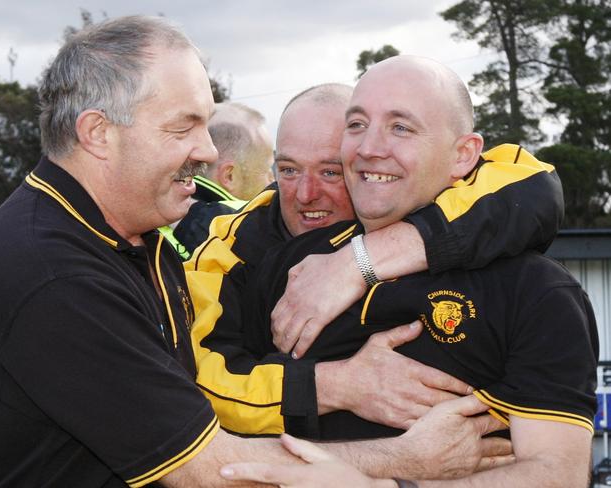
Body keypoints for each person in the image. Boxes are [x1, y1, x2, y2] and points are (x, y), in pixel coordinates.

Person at [0, 17, 513, 487]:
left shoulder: (131, 235)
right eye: (184, 128)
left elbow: (522, 180)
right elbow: (208, 473)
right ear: (99, 134)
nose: (207, 151)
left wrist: (363, 260)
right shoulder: (57, 274)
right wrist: (406, 460)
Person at [220, 55, 598, 487]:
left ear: (463, 155)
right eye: (357, 124)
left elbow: (558, 474)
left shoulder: (535, 290)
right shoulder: (293, 270)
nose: (368, 148)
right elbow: (215, 435)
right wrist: (344, 397)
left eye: (401, 127)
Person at [186, 84, 565, 437]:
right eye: (288, 170)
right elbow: (196, 376)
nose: (305, 194)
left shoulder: (436, 197)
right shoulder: (234, 245)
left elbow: (531, 185)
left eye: (330, 171)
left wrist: (357, 261)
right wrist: (337, 386)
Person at [166, 102, 274, 258]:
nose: (273, 180)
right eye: (267, 170)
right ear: (229, 176)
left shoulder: (152, 223)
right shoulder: (253, 224)